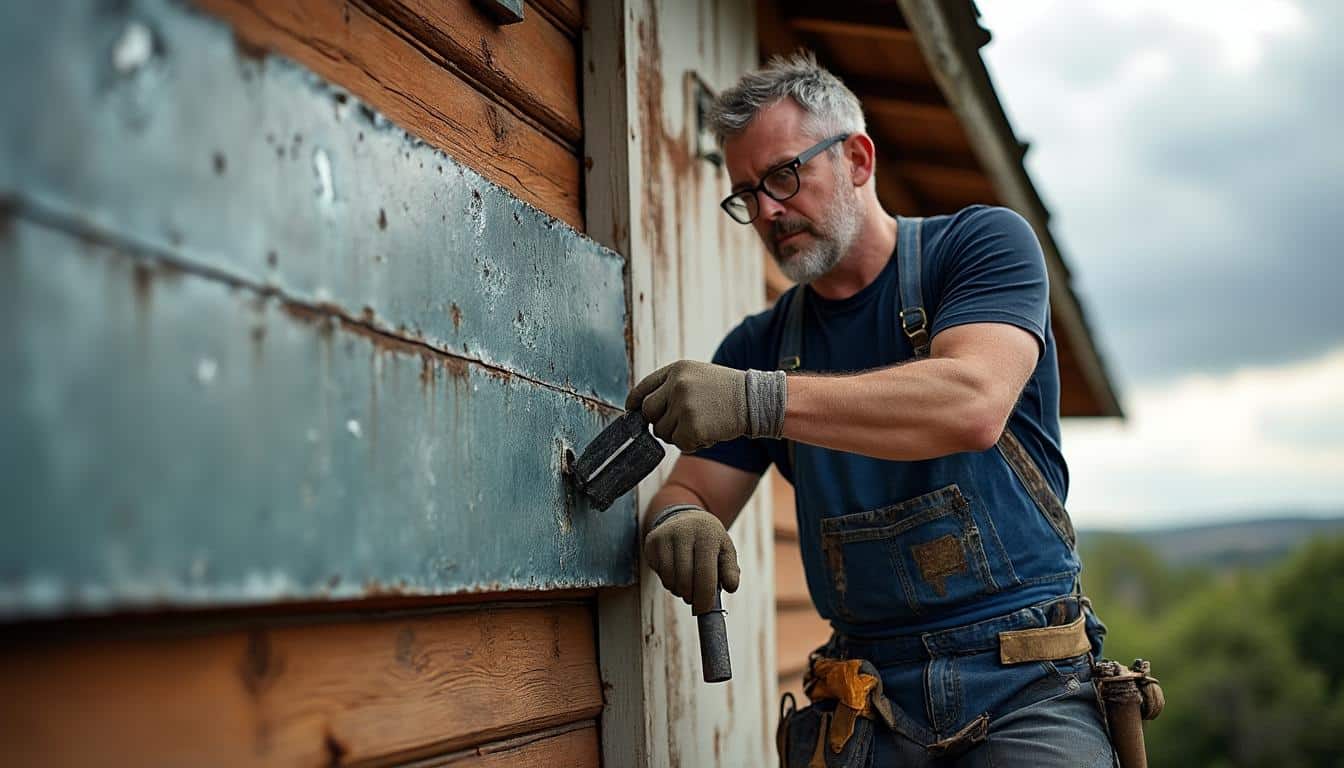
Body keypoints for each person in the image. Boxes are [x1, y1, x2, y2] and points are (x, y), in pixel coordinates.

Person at [626, 52, 1116, 767]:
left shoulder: (978, 248)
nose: (766, 211)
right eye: (746, 194)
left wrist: (759, 398)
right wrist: (679, 520)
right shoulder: (762, 342)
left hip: (1026, 678)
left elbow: (972, 401)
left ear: (857, 158)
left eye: (784, 176)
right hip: (867, 697)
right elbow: (694, 485)